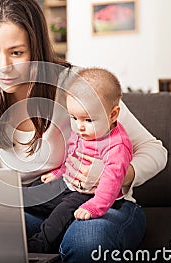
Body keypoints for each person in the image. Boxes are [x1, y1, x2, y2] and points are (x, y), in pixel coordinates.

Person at [0, 0, 168, 263]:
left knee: (86, 244)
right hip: (30, 208)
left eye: (17, 52)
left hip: (99, 205)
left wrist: (116, 174)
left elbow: (154, 150)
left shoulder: (79, 85)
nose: (4, 67)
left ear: (37, 47)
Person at [26, 67, 133, 253]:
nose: (79, 127)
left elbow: (111, 182)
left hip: (90, 195)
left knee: (61, 214)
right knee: (30, 193)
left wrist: (94, 207)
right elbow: (73, 156)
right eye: (74, 118)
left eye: (88, 120)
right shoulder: (83, 132)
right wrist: (58, 173)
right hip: (69, 184)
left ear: (113, 115)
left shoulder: (117, 145)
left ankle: (38, 246)